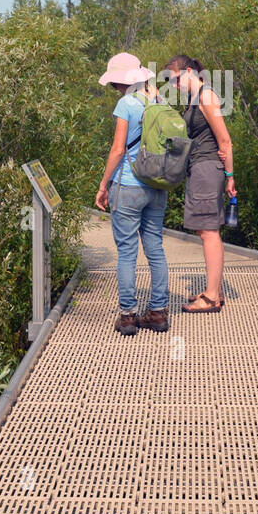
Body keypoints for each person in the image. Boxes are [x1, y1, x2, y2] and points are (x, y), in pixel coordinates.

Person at [94, 52, 170, 336]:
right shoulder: (159, 100)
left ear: (119, 82)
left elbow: (117, 150)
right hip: (157, 185)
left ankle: (127, 316)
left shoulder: (125, 104)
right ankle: (158, 313)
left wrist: (103, 185)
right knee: (155, 248)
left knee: (127, 252)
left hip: (128, 185)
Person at [164, 55, 235, 313]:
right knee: (205, 230)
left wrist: (230, 176)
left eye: (175, 80)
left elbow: (225, 141)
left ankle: (213, 296)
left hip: (208, 169)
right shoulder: (194, 99)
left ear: (190, 71)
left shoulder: (207, 96)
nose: (174, 86)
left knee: (208, 231)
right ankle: (212, 289)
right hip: (200, 168)